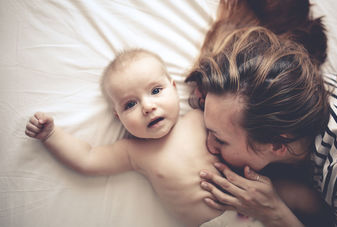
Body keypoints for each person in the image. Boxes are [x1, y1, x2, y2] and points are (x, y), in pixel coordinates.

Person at [185, 0, 337, 227]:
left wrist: (274, 213)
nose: (208, 145)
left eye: (219, 138)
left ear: (277, 145)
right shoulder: (300, 83)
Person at [25, 49, 224, 227]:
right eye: (130, 105)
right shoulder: (134, 151)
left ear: (173, 87)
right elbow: (87, 158)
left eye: (155, 91)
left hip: (246, 211)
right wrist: (51, 135)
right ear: (118, 116)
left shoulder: (202, 117)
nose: (147, 107)